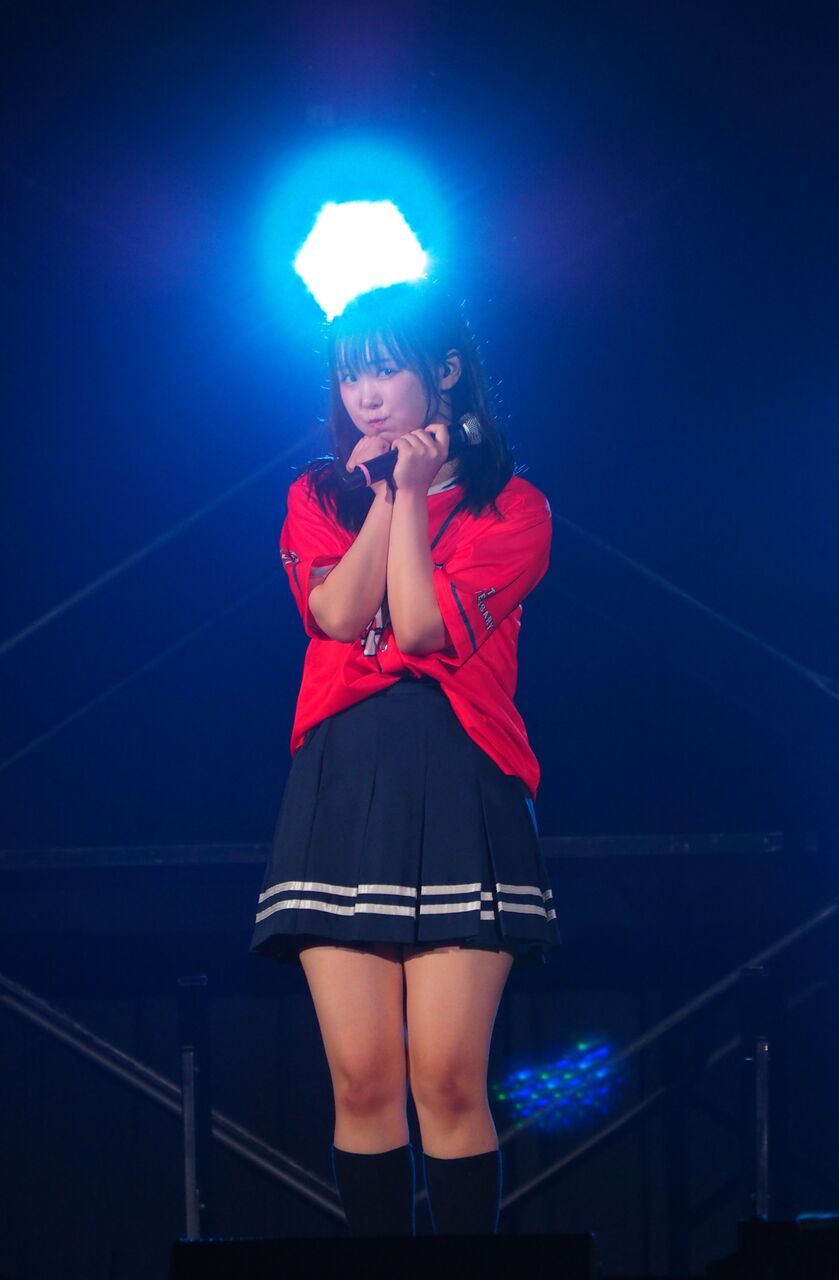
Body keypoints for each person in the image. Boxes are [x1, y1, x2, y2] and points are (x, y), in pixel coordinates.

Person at [250, 279, 560, 1237]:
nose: (367, 396)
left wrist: (417, 494)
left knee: (448, 1080)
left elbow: (421, 629)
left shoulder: (512, 506)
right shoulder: (316, 494)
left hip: (460, 777)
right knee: (361, 1079)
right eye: (351, 377)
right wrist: (388, 492)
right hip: (342, 781)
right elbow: (338, 615)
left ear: (447, 371)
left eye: (386, 371)